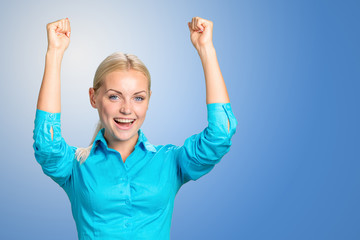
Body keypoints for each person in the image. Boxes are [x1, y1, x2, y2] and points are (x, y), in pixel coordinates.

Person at [33, 16, 238, 240]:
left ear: (149, 100)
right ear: (94, 98)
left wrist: (206, 49)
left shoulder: (169, 162)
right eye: (114, 97)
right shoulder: (76, 166)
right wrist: (54, 53)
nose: (127, 109)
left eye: (138, 98)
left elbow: (220, 134)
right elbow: (47, 144)